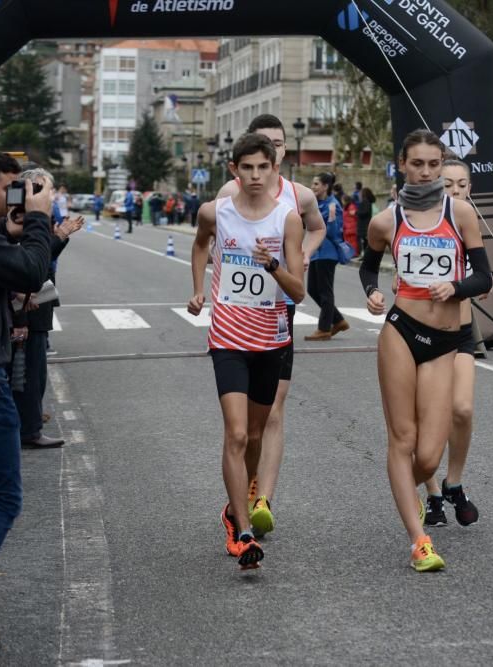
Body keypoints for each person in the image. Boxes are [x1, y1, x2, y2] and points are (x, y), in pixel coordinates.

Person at [358, 130, 491, 571]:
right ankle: (420, 541)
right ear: (403, 164)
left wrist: (454, 286)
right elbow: (369, 267)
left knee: (430, 454)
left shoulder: (461, 214)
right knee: (403, 438)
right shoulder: (386, 220)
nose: (427, 172)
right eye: (418, 164)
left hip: (445, 342)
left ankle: (404, 489)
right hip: (401, 330)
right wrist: (373, 293)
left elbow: (484, 279)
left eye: (434, 164)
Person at [188, 133, 306, 569]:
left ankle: (241, 498)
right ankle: (239, 530)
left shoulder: (286, 220)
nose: (255, 176)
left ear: (275, 169)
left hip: (271, 339)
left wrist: (271, 264)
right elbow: (200, 244)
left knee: (256, 435)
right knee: (236, 433)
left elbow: (300, 292)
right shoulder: (213, 212)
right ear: (234, 170)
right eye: (247, 168)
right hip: (228, 339)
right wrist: (198, 289)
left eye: (264, 167)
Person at [215, 113, 326, 539]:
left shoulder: (299, 196)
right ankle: (244, 498)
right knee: (244, 426)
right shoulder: (232, 191)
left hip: (280, 308)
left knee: (274, 409)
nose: (272, 150)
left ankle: (262, 497)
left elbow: (316, 230)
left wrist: (299, 256)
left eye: (278, 144)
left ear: (283, 152)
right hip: (239, 318)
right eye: (264, 143)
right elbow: (215, 230)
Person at [0, 151, 54, 662]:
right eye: (11, 188)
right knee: (2, 498)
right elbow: (29, 271)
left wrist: (15, 228)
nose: (17, 197)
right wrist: (42, 221)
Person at [4, 168, 84, 449]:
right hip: (25, 307)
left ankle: (32, 419)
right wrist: (58, 237)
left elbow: (42, 259)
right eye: (43, 189)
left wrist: (60, 236)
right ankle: (30, 428)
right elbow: (29, 262)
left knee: (34, 371)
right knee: (27, 372)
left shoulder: (31, 217)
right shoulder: (18, 219)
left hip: (37, 303)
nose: (49, 195)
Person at [422, 158, 482, 529]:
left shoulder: (467, 221)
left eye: (462, 185)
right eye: (448, 184)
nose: (456, 191)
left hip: (459, 328)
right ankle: (431, 494)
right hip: (419, 329)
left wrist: (456, 287)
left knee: (461, 409)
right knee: (425, 418)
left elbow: (484, 277)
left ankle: (453, 482)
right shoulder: (414, 219)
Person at [304, 172, 350, 341]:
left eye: (316, 184)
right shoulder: (316, 204)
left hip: (327, 253)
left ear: (325, 186)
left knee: (325, 291)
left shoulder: (333, 205)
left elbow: (333, 232)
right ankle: (338, 320)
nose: (313, 187)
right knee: (312, 289)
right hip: (316, 252)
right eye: (313, 183)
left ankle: (324, 328)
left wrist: (331, 218)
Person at [357, 187, 375, 255]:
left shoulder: (365, 202)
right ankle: (365, 255)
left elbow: (364, 212)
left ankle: (366, 255)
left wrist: (356, 212)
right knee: (365, 241)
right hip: (364, 224)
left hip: (364, 225)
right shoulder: (366, 202)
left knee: (365, 241)